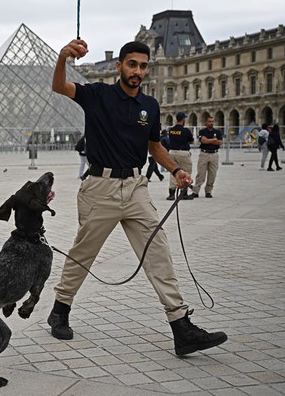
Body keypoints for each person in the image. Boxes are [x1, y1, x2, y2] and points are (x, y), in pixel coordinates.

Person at [47, 38, 227, 356]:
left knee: (158, 250)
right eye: (132, 64)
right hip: (100, 188)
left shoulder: (150, 106)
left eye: (143, 66)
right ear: (119, 66)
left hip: (135, 186)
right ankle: (60, 309)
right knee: (83, 253)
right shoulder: (98, 94)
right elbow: (60, 86)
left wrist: (175, 170)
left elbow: (154, 146)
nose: (138, 71)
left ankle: (180, 326)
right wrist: (63, 56)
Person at [191, 116, 222, 198]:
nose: (211, 123)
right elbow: (203, 141)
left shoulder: (217, 132)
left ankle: (208, 191)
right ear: (206, 122)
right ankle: (196, 191)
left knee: (212, 174)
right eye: (209, 121)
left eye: (212, 121)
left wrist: (209, 140)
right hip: (204, 154)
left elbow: (220, 142)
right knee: (201, 173)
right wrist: (214, 140)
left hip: (214, 154)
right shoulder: (202, 131)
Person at [166, 112, 194, 200]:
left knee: (173, 172)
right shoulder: (186, 130)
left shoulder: (171, 130)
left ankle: (171, 194)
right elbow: (191, 140)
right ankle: (183, 194)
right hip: (183, 153)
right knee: (186, 172)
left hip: (172, 152)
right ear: (183, 120)